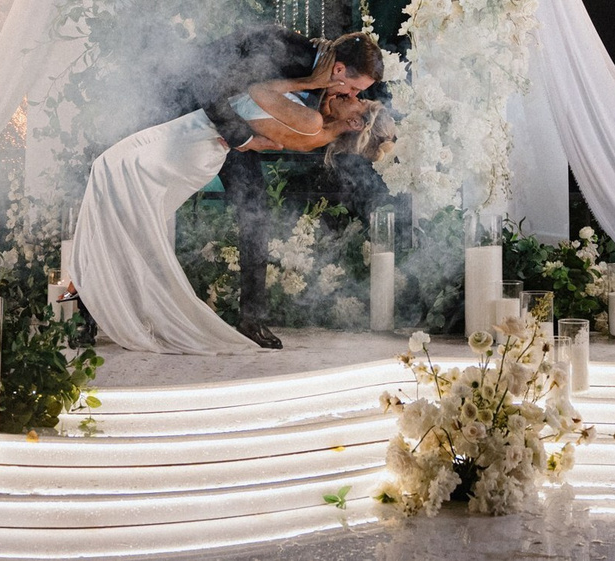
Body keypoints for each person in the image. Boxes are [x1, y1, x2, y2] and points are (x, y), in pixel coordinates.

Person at [66, 54, 390, 355]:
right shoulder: (315, 113)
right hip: (204, 133)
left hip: (204, 136)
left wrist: (308, 83)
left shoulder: (313, 123)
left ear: (355, 124)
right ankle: (91, 293)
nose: (350, 94)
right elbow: (259, 119)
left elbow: (256, 97)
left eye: (357, 99)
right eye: (355, 91)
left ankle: (91, 292)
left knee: (116, 179)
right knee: (126, 199)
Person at [187, 27, 385, 348]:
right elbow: (211, 82)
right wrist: (243, 139)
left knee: (256, 212)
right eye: (353, 89)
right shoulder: (286, 50)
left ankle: (252, 319)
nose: (351, 96)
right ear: (338, 70)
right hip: (196, 108)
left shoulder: (321, 83)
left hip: (233, 128)